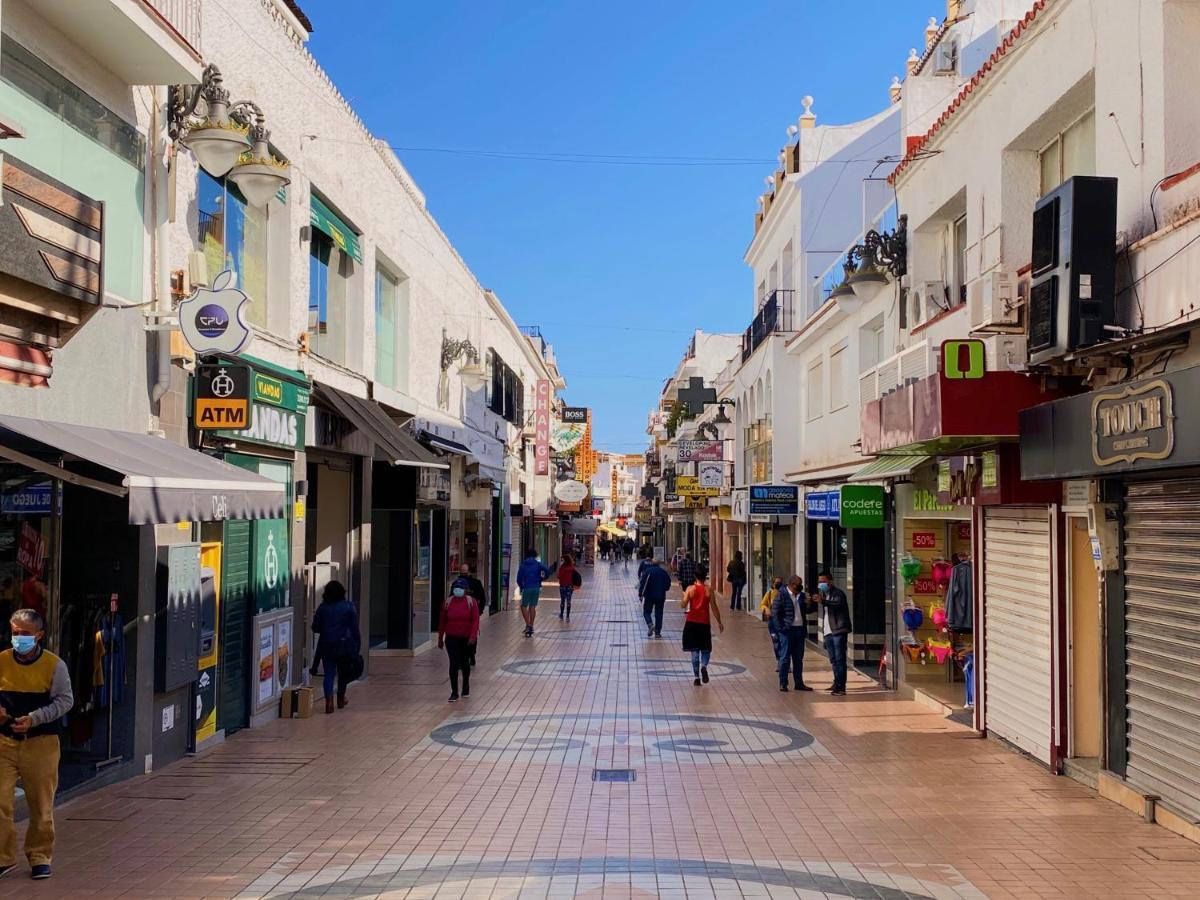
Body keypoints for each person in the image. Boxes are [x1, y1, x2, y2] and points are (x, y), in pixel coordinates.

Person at [0, 608, 73, 880]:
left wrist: (34, 719)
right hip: (4, 742)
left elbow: (65, 701)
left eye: (25, 634)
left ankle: (40, 856)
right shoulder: (2, 661)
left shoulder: (54, 665)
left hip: (41, 743)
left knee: (41, 804)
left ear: (39, 635)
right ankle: (3, 857)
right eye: (15, 633)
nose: (19, 638)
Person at [311, 581, 360, 714]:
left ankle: (329, 703)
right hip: (344, 645)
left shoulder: (323, 607)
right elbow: (355, 628)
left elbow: (315, 627)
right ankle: (340, 698)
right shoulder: (349, 607)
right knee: (343, 673)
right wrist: (357, 645)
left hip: (327, 645)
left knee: (329, 674)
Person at [438, 581, 480, 702]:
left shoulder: (471, 602)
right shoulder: (448, 602)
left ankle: (465, 687)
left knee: (465, 662)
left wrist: (472, 636)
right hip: (451, 638)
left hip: (466, 639)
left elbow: (475, 621)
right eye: (456, 588)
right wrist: (440, 638)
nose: (458, 590)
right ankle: (454, 691)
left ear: (466, 590)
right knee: (453, 663)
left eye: (460, 588)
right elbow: (442, 621)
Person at [680, 566, 723, 685]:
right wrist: (719, 622)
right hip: (704, 623)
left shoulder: (690, 589)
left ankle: (696, 678)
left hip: (691, 623)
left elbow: (683, 605)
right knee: (706, 649)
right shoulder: (709, 590)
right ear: (705, 577)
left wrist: (684, 597)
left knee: (694, 651)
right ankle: (704, 666)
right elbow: (714, 608)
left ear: (695, 576)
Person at [772, 576, 814, 692]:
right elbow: (775, 613)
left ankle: (799, 683)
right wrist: (781, 629)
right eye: (798, 584)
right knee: (785, 658)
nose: (800, 586)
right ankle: (783, 683)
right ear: (791, 584)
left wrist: (809, 604)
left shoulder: (802, 595)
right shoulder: (782, 594)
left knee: (798, 658)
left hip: (799, 630)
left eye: (801, 584)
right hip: (787, 631)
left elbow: (808, 611)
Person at [814, 570, 851, 696]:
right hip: (829, 632)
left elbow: (837, 605)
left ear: (830, 581)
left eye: (823, 581)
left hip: (838, 630)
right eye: (819, 581)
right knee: (833, 660)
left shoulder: (837, 593)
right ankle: (836, 682)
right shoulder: (825, 594)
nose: (821, 584)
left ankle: (841, 687)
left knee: (840, 659)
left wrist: (823, 601)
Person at [454, 564, 487, 667]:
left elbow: (482, 598)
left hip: (467, 614)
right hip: (466, 615)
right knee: (471, 634)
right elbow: (483, 598)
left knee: (466, 635)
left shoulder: (457, 584)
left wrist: (479, 611)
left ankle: (467, 656)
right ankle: (470, 655)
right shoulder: (474, 583)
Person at [516, 548, 551, 637]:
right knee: (532, 606)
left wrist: (521, 586)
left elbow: (519, 578)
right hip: (536, 587)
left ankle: (527, 625)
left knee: (524, 606)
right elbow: (547, 570)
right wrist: (543, 578)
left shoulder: (523, 565)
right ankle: (531, 625)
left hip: (527, 587)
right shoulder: (537, 564)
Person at [640, 557, 672, 638]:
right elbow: (668, 584)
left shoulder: (648, 571)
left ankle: (650, 624)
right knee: (659, 613)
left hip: (649, 596)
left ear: (651, 564)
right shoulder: (663, 572)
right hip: (660, 596)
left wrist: (640, 594)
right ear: (659, 564)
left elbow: (643, 583)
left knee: (646, 612)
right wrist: (664, 589)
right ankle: (657, 632)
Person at [762, 576, 784, 659]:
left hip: (783, 621)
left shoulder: (785, 594)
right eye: (776, 583)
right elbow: (762, 604)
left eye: (780, 583)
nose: (778, 584)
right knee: (776, 642)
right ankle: (779, 660)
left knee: (784, 642)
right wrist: (766, 609)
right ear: (773, 584)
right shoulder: (769, 593)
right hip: (773, 623)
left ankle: (785, 662)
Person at [557, 554, 579, 621]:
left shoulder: (562, 567)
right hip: (570, 586)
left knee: (562, 600)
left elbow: (559, 576)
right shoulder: (572, 568)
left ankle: (561, 615)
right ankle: (567, 617)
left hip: (563, 586)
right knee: (569, 601)